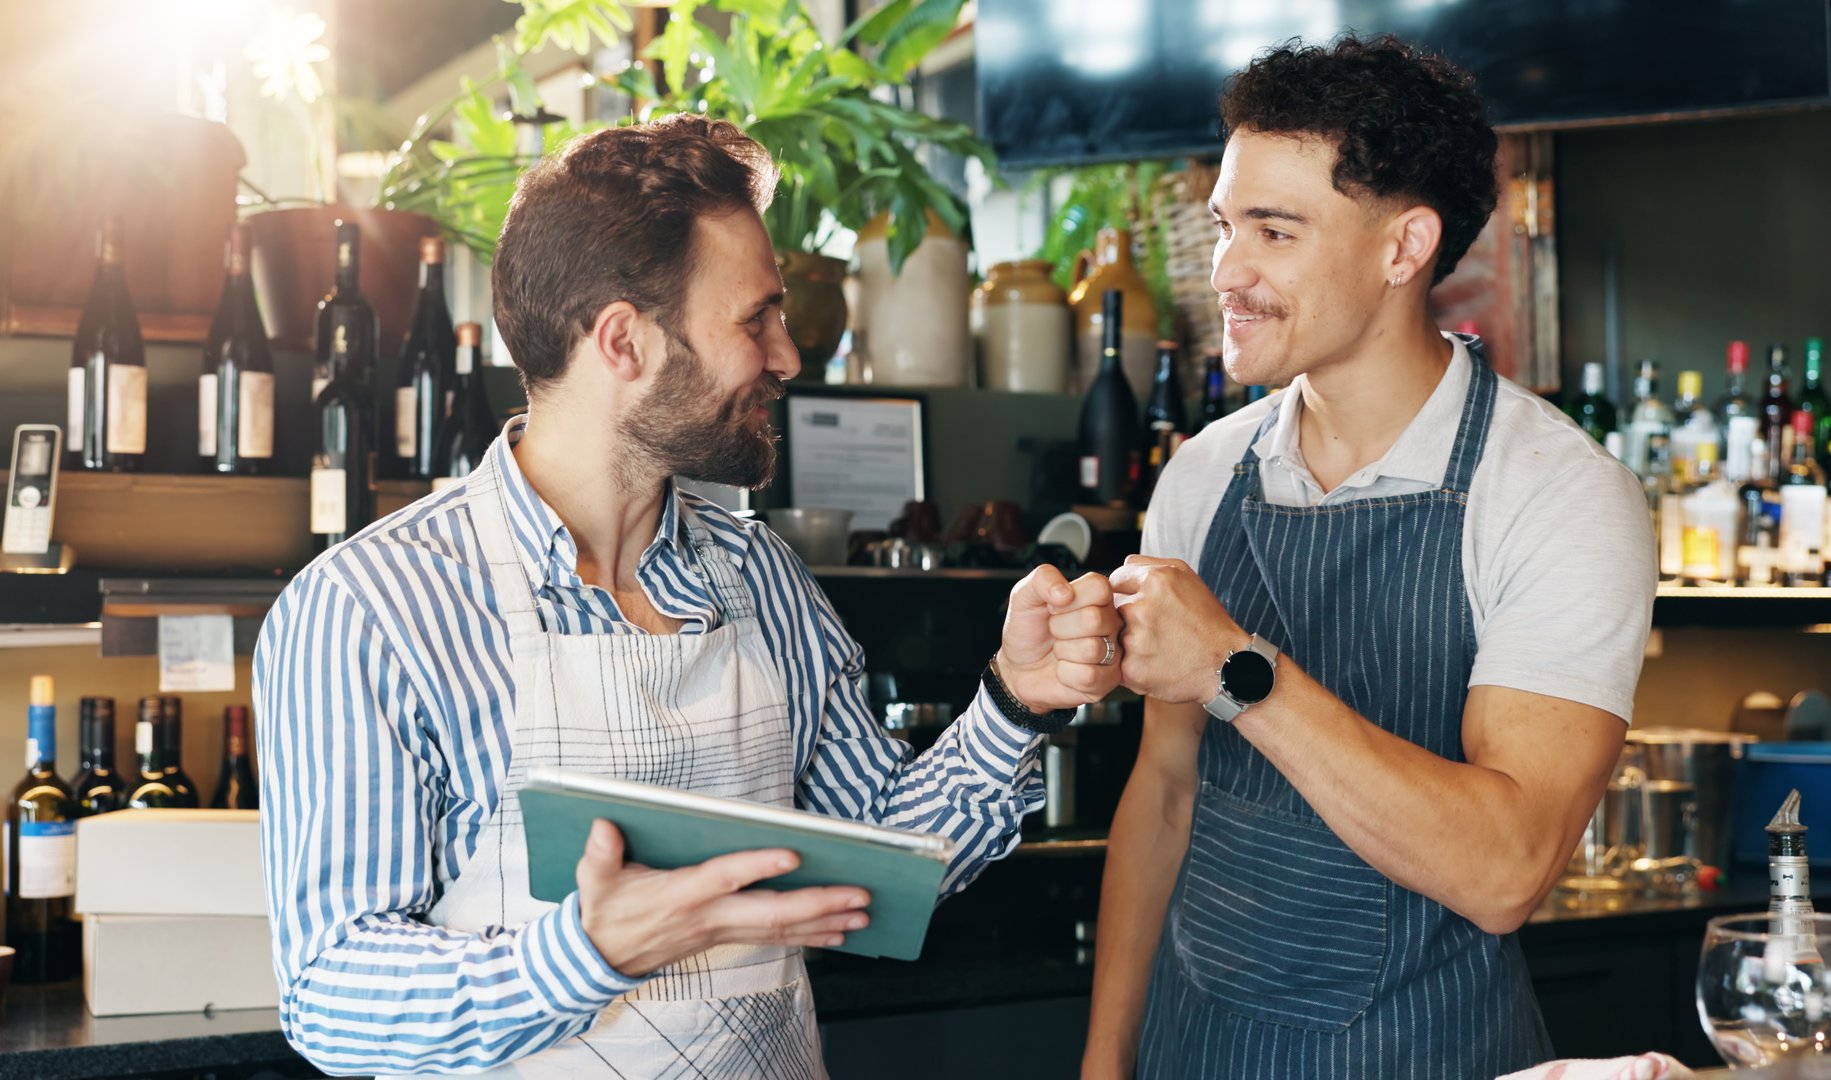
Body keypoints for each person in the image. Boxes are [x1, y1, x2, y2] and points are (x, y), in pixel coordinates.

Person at [253, 115, 1124, 1077]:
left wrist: (1012, 700)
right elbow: (334, 997)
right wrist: (581, 957)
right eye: (755, 320)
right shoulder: (370, 610)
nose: (789, 356)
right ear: (623, 340)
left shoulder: (758, 578)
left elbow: (879, 872)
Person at [1082, 36, 1655, 1080]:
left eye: (1274, 230)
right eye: (1225, 225)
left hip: (1428, 1055)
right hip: (1192, 1051)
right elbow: (1164, 795)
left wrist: (1234, 670)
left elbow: (1506, 868)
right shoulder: (1202, 478)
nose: (1226, 270)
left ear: (1404, 248)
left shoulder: (1557, 495)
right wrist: (1103, 1065)